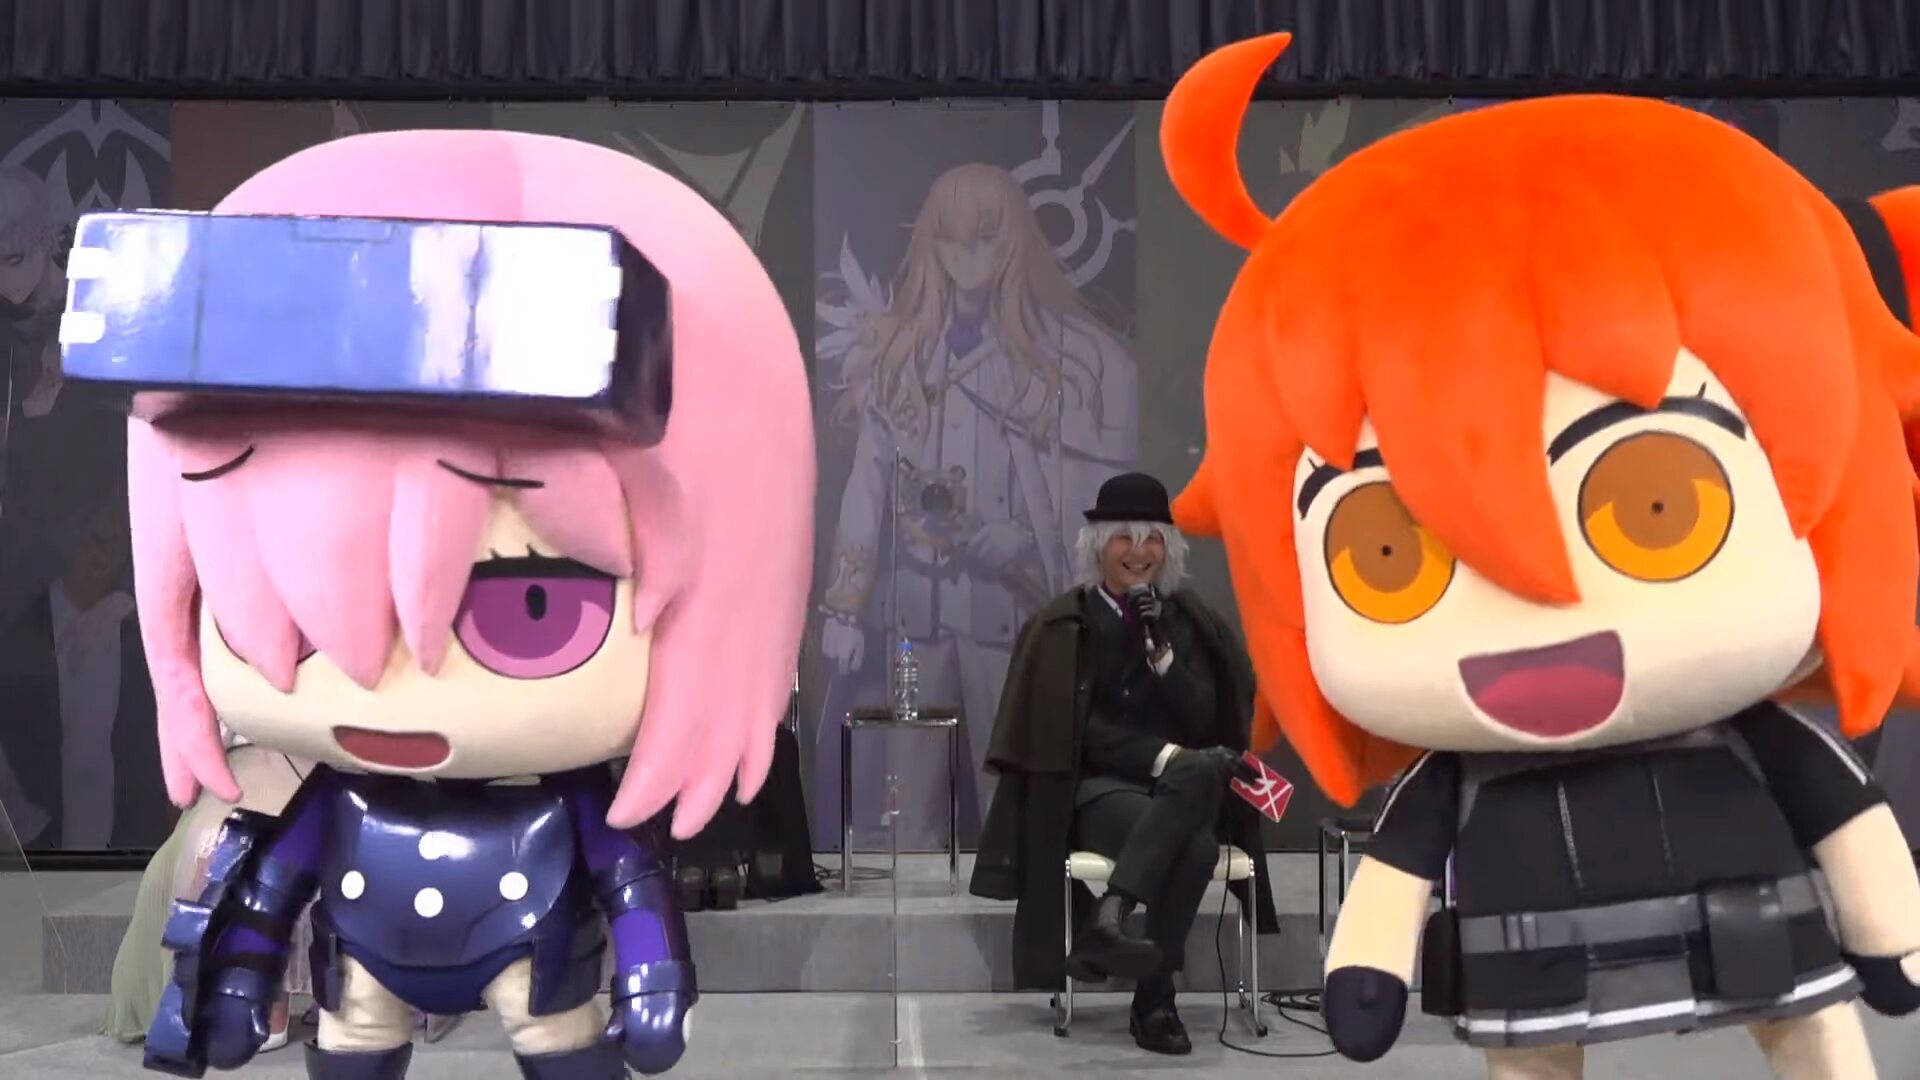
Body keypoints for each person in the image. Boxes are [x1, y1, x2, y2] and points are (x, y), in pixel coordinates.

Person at [1161, 32, 1920, 1079]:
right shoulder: (1462, 776)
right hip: (1535, 968)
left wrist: (1889, 931)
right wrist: (1369, 966)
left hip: (1753, 937)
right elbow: (1399, 868)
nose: (1539, 614)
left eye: (1657, 506)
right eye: (1388, 553)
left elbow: (1848, 818)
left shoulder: (1755, 742)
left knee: (1813, 1036)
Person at [111, 130, 814, 1078]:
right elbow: (267, 891)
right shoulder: (334, 805)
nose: (388, 672)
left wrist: (654, 987)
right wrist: (235, 983)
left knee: (556, 1043)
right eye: (297, 623)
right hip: (363, 979)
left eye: (534, 607)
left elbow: (632, 885)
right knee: (355, 1041)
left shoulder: (570, 809)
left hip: (541, 973)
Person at [813, 161, 1138, 847]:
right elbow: (867, 486)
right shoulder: (902, 357)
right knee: (907, 807)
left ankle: (1022, 909)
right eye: (952, 239)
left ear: (1012, 243)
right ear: (931, 245)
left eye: (985, 238)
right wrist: (843, 607)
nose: (967, 256)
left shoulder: (1061, 359)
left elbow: (1084, 492)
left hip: (1008, 616)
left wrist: (1023, 539)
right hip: (914, 618)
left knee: (1012, 792)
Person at [971, 471, 1278, 1056]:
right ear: (1098, 548)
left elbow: (1206, 716)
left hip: (1179, 795)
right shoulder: (1067, 627)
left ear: (1169, 550)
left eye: (1153, 539)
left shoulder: (1185, 620)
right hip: (1101, 792)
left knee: (1197, 821)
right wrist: (1169, 758)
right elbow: (1076, 733)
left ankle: (1109, 919)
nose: (1140, 552)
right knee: (1196, 833)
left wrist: (1163, 658)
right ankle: (1155, 1001)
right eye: (1124, 538)